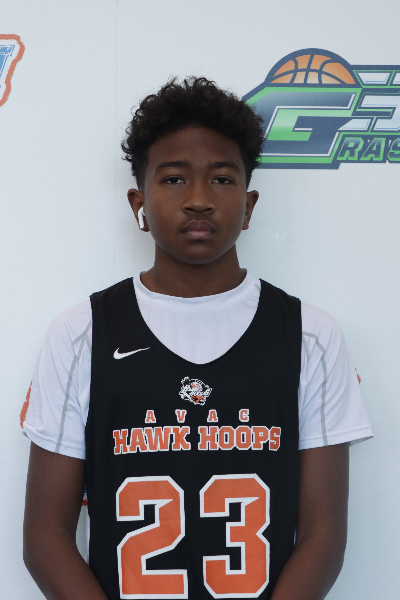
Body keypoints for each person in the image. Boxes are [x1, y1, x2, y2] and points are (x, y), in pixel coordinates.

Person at [22, 77, 373, 600]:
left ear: (249, 206)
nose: (199, 200)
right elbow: (45, 539)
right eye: (173, 179)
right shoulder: (80, 335)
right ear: (138, 203)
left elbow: (323, 537)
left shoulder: (310, 336)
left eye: (222, 179)